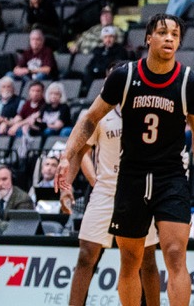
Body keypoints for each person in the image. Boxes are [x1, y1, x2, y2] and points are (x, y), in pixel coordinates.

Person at [57, 15, 194, 306]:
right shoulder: (124, 77)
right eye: (162, 32)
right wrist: (66, 157)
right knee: (131, 260)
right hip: (130, 177)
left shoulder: (191, 82)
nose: (169, 38)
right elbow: (90, 119)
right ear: (148, 38)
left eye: (175, 35)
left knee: (176, 254)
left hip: (171, 176)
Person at [60, 63, 161, 306]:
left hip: (141, 188)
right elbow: (80, 151)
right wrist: (66, 186)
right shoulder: (99, 113)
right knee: (86, 254)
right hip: (106, 190)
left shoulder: (149, 108)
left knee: (147, 259)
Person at [0, 164, 34, 233]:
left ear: (12, 180)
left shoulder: (23, 199)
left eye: (4, 179)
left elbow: (17, 227)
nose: (1, 183)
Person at [84, 26, 133, 91]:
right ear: (102, 39)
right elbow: (91, 63)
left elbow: (117, 64)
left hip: (109, 74)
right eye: (105, 37)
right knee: (87, 71)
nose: (108, 40)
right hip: (97, 73)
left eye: (110, 37)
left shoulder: (120, 50)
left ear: (115, 38)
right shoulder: (98, 50)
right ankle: (89, 91)